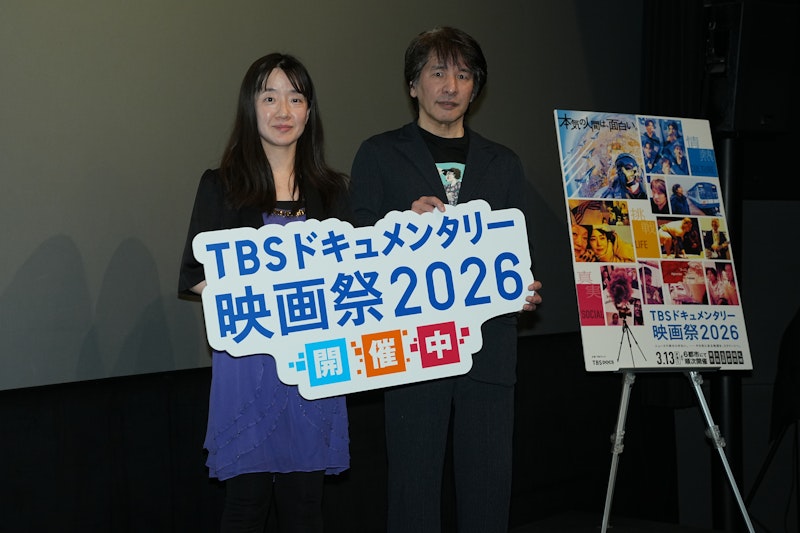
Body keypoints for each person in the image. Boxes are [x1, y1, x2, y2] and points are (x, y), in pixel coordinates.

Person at [349, 26, 542, 533]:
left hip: (489, 348)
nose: (451, 86)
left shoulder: (503, 163)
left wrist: (522, 289)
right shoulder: (379, 154)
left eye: (463, 75)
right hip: (415, 349)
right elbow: (356, 248)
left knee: (488, 490)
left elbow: (517, 253)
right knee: (412, 492)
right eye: (438, 73)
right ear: (413, 84)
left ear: (476, 88)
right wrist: (399, 224)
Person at [178, 53, 351, 533]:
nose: (283, 110)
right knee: (246, 506)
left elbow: (359, 275)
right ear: (250, 108)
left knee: (305, 508)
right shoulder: (221, 186)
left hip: (316, 361)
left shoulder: (332, 192)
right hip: (248, 363)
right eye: (269, 98)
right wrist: (263, 305)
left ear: (309, 111)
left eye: (295, 98)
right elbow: (194, 273)